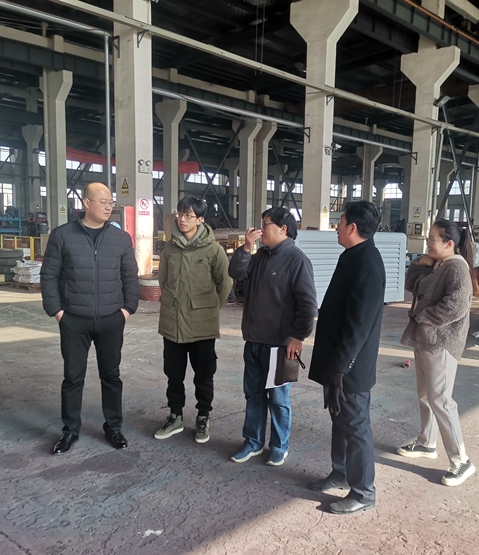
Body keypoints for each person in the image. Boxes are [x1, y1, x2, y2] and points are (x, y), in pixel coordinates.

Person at [40, 182, 139, 455]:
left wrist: (126, 310)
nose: (108, 207)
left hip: (111, 318)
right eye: (103, 202)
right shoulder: (62, 235)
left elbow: (130, 276)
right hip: (74, 319)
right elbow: (49, 276)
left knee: (111, 375)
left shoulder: (121, 238)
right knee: (73, 377)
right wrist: (58, 312)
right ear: (86, 203)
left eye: (111, 202)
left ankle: (114, 427)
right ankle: (70, 430)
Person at [309, 201, 385, 515]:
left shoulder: (367, 264)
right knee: (340, 420)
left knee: (355, 425)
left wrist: (340, 367)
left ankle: (363, 492)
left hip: (350, 366)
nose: (336, 228)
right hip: (337, 362)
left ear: (352, 227)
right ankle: (340, 473)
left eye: (339, 222)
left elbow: (358, 326)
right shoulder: (352, 256)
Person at [228, 207, 317, 466]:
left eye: (265, 224)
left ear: (283, 229)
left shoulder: (296, 260)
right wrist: (246, 248)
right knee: (253, 395)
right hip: (254, 341)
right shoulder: (260, 257)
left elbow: (308, 305)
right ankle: (253, 442)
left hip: (280, 345)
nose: (261, 229)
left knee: (278, 399)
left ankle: (279, 446)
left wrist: (298, 337)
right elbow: (236, 273)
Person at [397, 219, 479, 486]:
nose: (428, 243)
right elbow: (412, 286)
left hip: (441, 342)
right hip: (426, 339)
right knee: (426, 395)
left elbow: (456, 306)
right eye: (428, 238)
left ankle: (461, 461)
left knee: (442, 401)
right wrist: (419, 263)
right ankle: (426, 442)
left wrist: (423, 318)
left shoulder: (456, 267)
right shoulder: (438, 264)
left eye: (432, 239)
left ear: (449, 243)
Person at [154, 197, 232, 444]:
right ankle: (175, 416)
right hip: (173, 323)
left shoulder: (213, 250)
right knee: (173, 374)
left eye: (188, 215)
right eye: (180, 214)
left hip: (202, 325)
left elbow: (225, 283)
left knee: (204, 375)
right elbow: (163, 280)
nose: (182, 219)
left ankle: (203, 416)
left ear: (200, 220)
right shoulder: (170, 248)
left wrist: (209, 309)